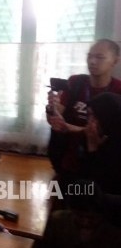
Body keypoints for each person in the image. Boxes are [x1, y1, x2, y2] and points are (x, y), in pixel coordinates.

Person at [47, 39, 121, 178]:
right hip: (67, 160)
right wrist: (52, 108)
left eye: (99, 57)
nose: (92, 61)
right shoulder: (76, 82)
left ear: (115, 61)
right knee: (62, 196)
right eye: (89, 56)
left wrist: (69, 127)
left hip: (100, 165)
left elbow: (110, 136)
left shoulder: (118, 91)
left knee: (89, 197)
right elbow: (55, 119)